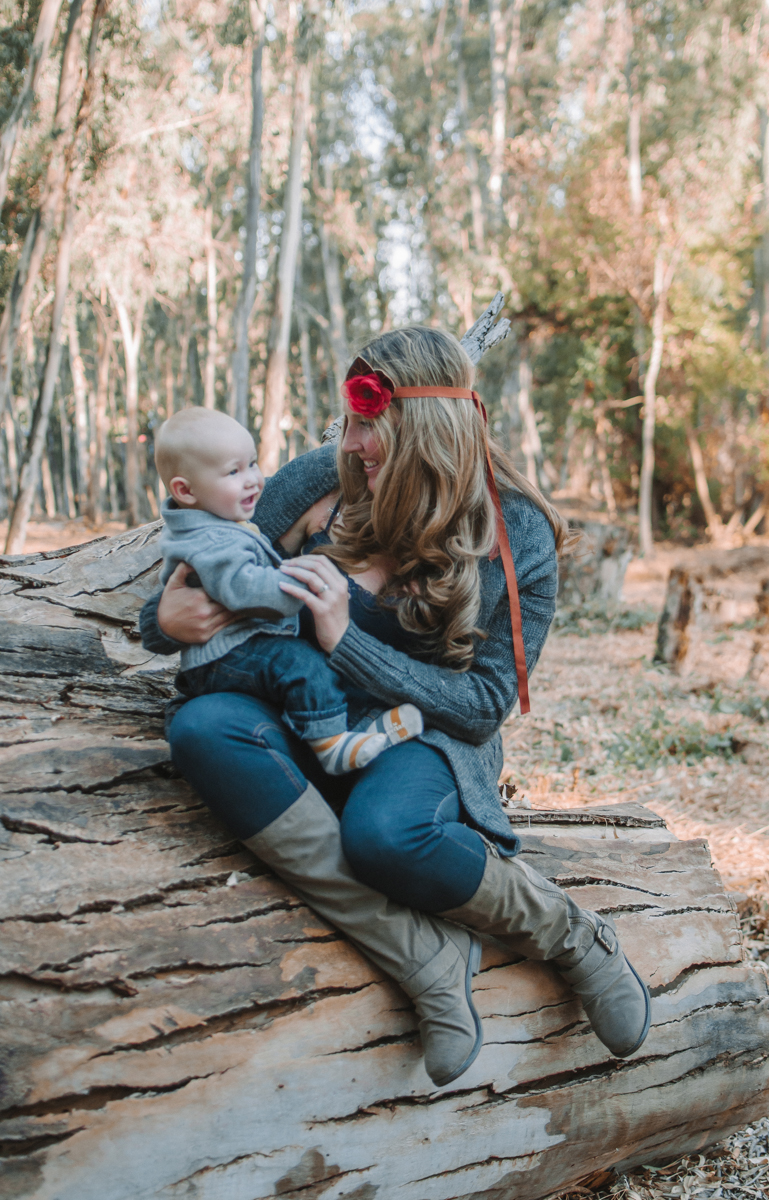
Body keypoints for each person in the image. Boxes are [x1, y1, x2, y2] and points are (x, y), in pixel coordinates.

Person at [140, 327, 650, 1088]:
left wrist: (345, 641)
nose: (348, 443)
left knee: (386, 833)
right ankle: (424, 958)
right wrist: (162, 621)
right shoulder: (320, 482)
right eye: (346, 424)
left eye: (365, 426)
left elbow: (482, 704)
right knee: (201, 727)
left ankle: (573, 937)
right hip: (303, 716)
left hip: (425, 737)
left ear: (425, 427)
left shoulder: (515, 531)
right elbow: (207, 557)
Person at [154, 406, 423, 775]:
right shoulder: (213, 535)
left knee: (299, 666)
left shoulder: (225, 522)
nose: (253, 480)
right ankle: (332, 745)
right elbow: (243, 587)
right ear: (186, 491)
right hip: (227, 655)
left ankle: (347, 733)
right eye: (234, 471)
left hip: (243, 650)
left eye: (252, 464)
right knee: (300, 665)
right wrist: (301, 586)